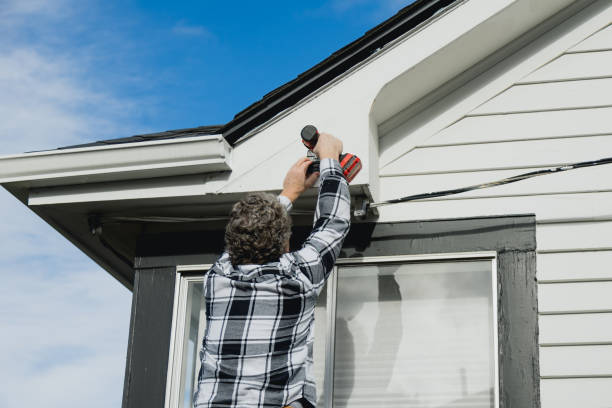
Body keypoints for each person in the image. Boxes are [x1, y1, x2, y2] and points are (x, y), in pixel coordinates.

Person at [193, 132, 351, 408]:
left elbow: (331, 223)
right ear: (285, 240)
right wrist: (330, 161)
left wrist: (290, 192)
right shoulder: (298, 277)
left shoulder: (216, 278)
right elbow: (333, 222)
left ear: (232, 241)